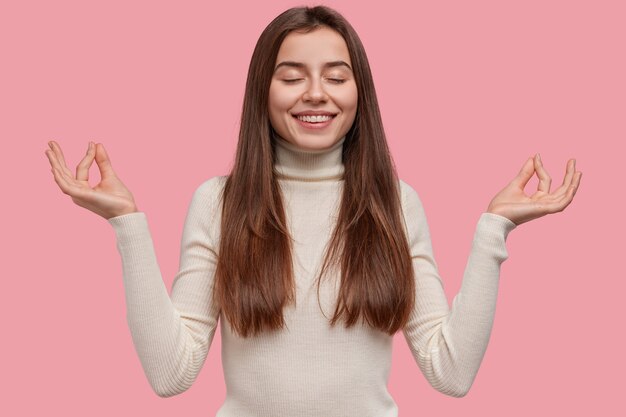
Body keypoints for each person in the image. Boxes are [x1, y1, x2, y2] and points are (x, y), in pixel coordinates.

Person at [44, 5, 582, 417]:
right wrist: (127, 224)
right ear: (264, 88)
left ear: (359, 91)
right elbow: (171, 372)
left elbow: (452, 370)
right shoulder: (220, 201)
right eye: (292, 75)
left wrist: (494, 230)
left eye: (336, 76)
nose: (316, 94)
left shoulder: (396, 203)